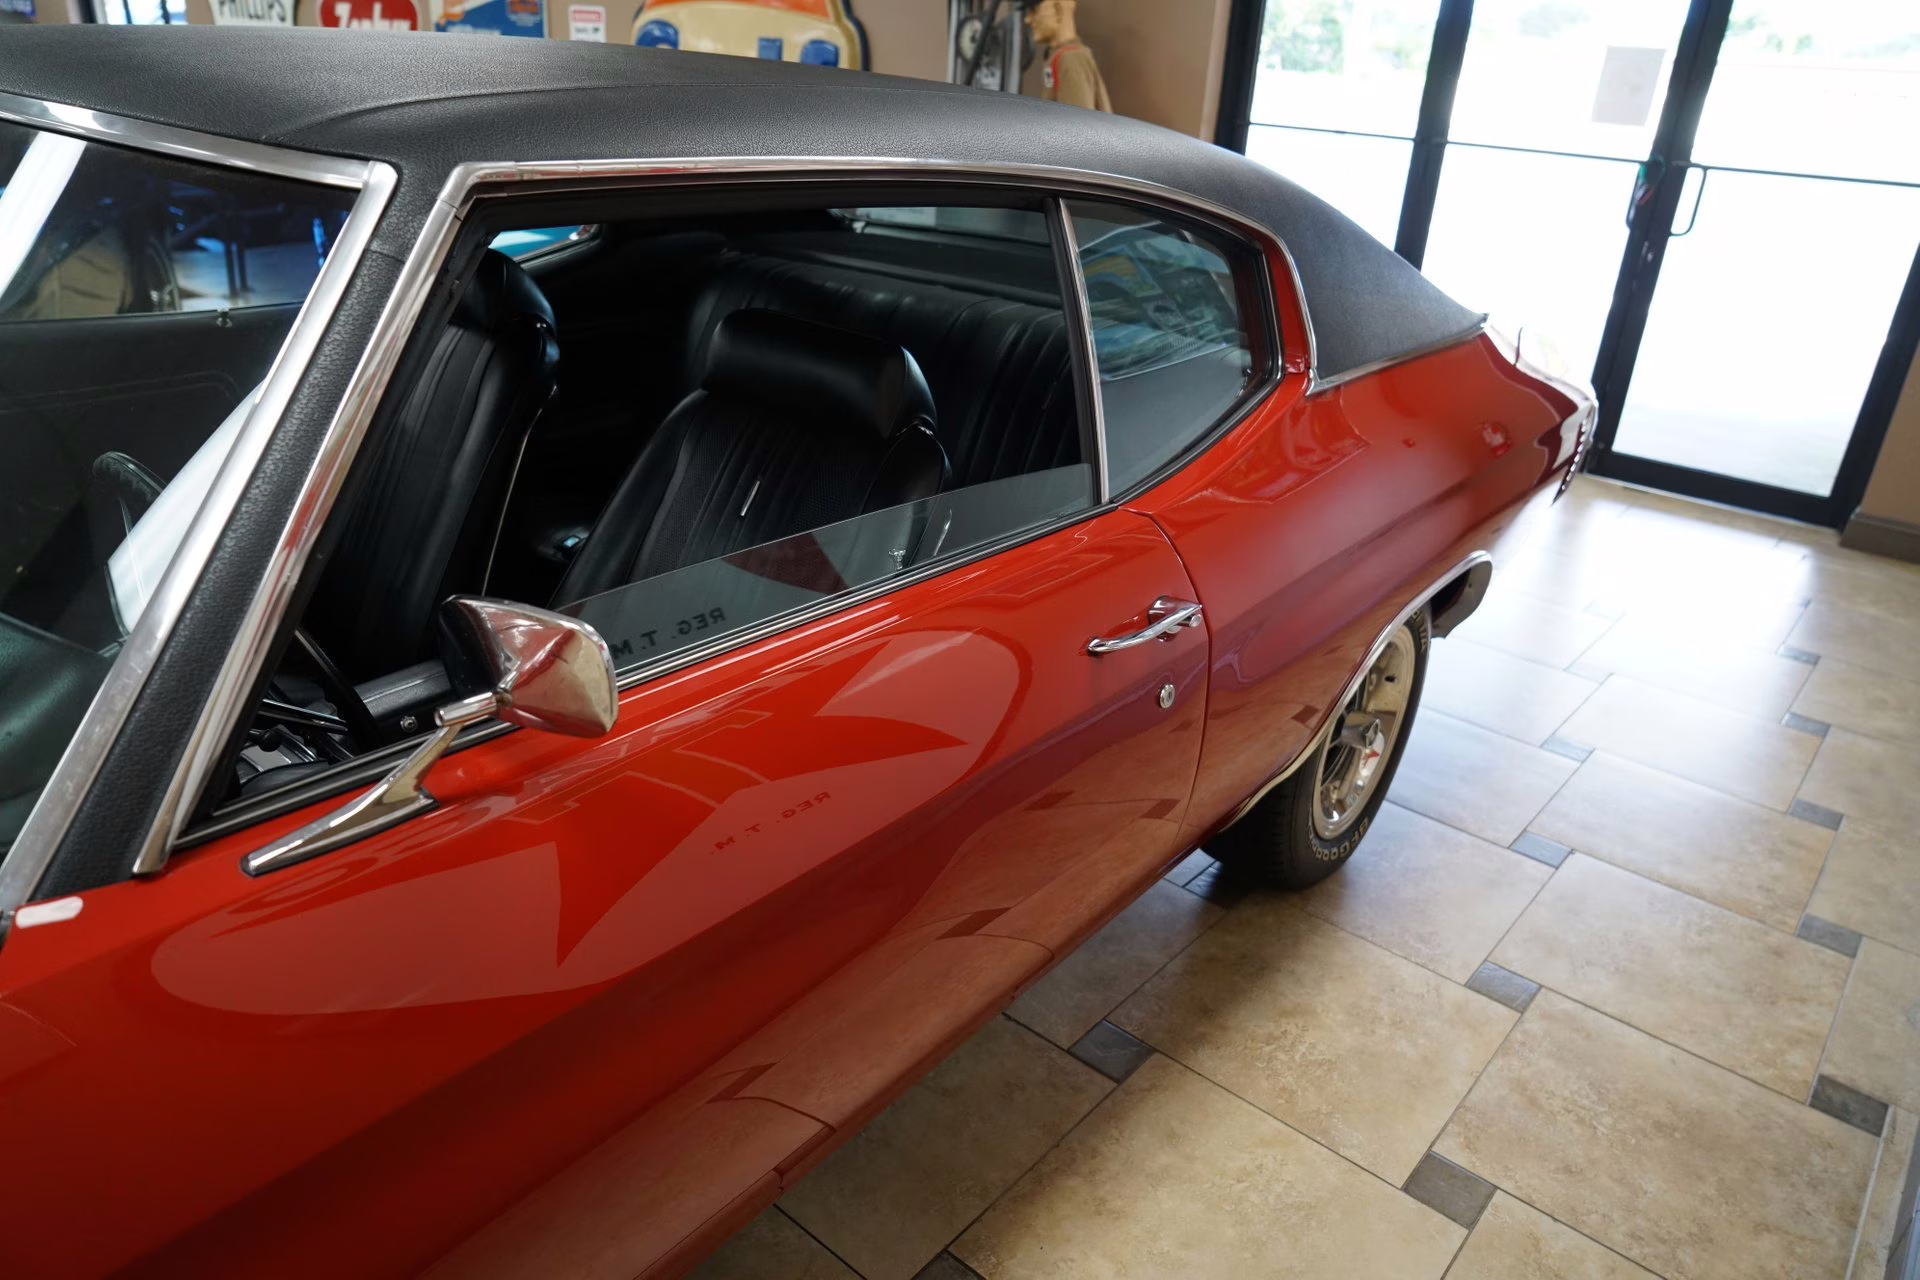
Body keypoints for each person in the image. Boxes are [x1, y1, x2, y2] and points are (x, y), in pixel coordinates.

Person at [1025, 0, 1111, 113]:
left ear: (1058, 9)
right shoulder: (1063, 57)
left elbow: (1078, 126)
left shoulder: (1070, 59)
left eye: (1035, 9)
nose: (1027, 20)